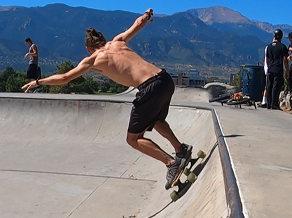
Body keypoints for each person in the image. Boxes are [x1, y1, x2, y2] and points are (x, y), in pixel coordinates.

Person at [22, 10, 193, 190]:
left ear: (88, 49)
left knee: (133, 139)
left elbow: (65, 78)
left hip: (149, 88)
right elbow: (138, 25)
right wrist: (146, 16)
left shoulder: (93, 60)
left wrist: (38, 81)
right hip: (165, 79)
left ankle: (171, 163)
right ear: (103, 41)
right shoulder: (118, 41)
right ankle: (181, 150)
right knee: (155, 119)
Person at [264, 29, 289, 110]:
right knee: (276, 86)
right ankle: (274, 104)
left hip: (270, 68)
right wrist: (287, 70)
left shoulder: (269, 46)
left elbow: (267, 59)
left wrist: (267, 67)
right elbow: (285, 59)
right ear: (281, 37)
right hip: (278, 68)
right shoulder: (282, 46)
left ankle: (268, 103)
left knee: (269, 86)